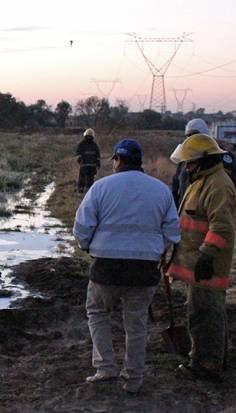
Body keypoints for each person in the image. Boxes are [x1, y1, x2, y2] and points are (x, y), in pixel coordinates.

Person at [74, 139, 180, 394]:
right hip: (144, 269)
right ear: (139, 161)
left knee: (98, 313)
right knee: (136, 324)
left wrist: (87, 247)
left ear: (117, 160)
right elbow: (172, 232)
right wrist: (155, 251)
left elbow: (82, 226)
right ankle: (133, 379)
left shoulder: (100, 187)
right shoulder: (161, 190)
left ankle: (105, 368)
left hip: (106, 268)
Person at [167, 133, 236, 382]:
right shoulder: (202, 180)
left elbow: (222, 228)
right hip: (197, 264)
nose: (187, 166)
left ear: (205, 160)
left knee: (204, 315)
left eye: (190, 161)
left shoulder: (217, 185)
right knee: (208, 313)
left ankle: (205, 365)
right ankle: (216, 358)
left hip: (207, 266)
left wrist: (206, 257)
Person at [172, 118, 236, 207]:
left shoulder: (220, 155)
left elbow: (235, 184)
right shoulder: (185, 158)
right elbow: (176, 186)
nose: (192, 139)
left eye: (195, 135)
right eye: (189, 136)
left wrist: (228, 207)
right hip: (187, 213)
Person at [75, 128, 101, 193]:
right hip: (89, 165)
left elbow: (78, 153)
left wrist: (80, 161)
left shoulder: (81, 144)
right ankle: (86, 190)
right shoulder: (94, 145)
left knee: (84, 178)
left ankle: (83, 190)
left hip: (86, 165)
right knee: (88, 178)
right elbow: (97, 155)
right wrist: (98, 163)